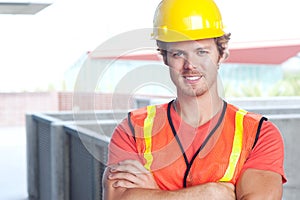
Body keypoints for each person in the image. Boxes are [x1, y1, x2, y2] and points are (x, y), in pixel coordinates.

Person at [102, 0, 287, 199]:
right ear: (165, 57)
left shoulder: (259, 134)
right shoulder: (132, 130)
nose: (190, 65)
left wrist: (155, 193)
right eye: (178, 53)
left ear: (221, 53)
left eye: (201, 52)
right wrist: (213, 193)